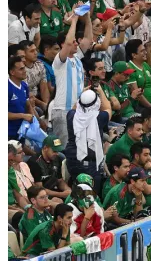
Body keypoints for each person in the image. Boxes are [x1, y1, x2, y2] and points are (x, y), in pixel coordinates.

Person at [50, 13, 94, 145]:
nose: (76, 43)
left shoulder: (77, 58)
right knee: (63, 147)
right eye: (74, 41)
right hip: (62, 110)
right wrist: (74, 20)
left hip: (77, 111)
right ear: (64, 45)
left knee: (77, 148)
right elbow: (69, 42)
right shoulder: (60, 61)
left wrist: (87, 18)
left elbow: (88, 39)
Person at [64, 88, 112, 188]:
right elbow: (108, 108)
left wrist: (82, 94)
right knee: (90, 197)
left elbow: (75, 107)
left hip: (72, 162)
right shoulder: (99, 117)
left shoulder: (71, 115)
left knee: (77, 193)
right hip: (90, 165)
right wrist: (101, 90)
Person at [27, 135, 71, 202]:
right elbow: (39, 189)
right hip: (41, 195)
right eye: (54, 151)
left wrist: (67, 190)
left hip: (55, 190)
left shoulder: (58, 159)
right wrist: (61, 194)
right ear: (45, 148)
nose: (57, 154)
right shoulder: (34, 162)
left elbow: (60, 181)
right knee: (58, 201)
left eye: (58, 151)